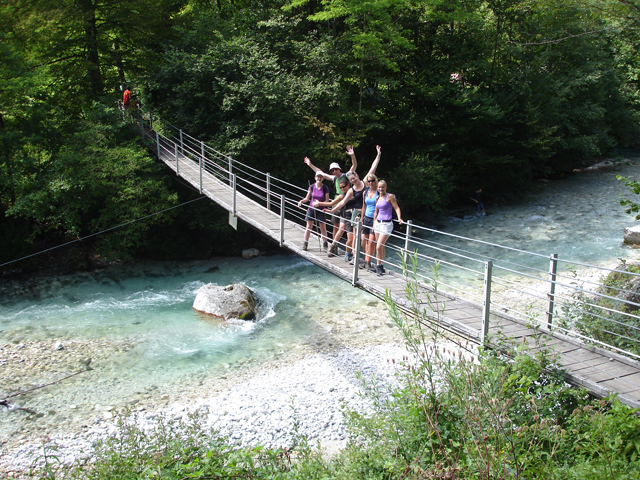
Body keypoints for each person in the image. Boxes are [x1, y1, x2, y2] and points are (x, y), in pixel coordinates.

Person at [324, 145, 382, 263]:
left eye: (354, 178)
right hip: (356, 215)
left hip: (367, 215)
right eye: (351, 180)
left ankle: (366, 260)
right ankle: (355, 257)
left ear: (357, 176)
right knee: (356, 237)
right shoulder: (351, 190)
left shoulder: (365, 182)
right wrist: (331, 210)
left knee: (365, 239)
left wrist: (378, 155)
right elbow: (343, 202)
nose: (353, 181)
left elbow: (373, 168)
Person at [303, 147, 357, 255]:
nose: (334, 171)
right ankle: (334, 246)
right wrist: (309, 164)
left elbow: (354, 166)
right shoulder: (334, 178)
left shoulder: (346, 176)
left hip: (345, 202)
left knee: (343, 227)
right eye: (332, 170)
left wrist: (352, 155)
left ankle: (344, 249)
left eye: (335, 169)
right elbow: (320, 173)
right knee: (335, 225)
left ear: (339, 169)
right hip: (336, 202)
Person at [373, 180, 403, 276]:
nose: (381, 189)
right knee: (380, 246)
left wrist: (399, 218)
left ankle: (378, 265)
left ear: (386, 187)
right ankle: (380, 265)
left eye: (382, 187)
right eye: (379, 187)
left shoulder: (390, 196)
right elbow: (376, 212)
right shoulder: (377, 198)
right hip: (378, 223)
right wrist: (373, 224)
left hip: (386, 224)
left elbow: (396, 208)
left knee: (379, 246)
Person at [297, 171, 330, 252]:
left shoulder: (325, 188)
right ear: (315, 178)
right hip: (311, 208)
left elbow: (327, 201)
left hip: (321, 209)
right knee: (308, 227)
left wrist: (319, 204)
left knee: (322, 227)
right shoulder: (311, 187)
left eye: (320, 177)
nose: (319, 178)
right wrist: (301, 201)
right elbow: (307, 198)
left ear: (323, 178)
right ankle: (305, 243)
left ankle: (325, 244)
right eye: (318, 177)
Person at [360, 174, 379, 271]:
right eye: (369, 181)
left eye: (372, 181)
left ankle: (368, 262)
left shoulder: (378, 192)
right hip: (366, 218)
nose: (371, 182)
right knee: (364, 240)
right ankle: (366, 259)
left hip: (374, 219)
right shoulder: (365, 192)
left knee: (371, 242)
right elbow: (364, 206)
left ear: (375, 181)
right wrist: (361, 218)